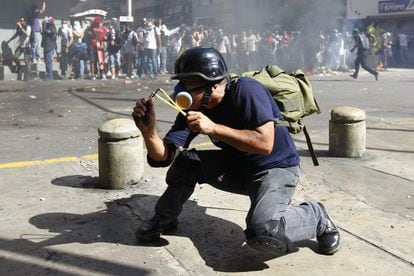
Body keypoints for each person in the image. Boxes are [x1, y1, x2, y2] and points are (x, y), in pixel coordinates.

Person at [132, 47, 341, 257]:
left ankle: (316, 216)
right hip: (239, 166)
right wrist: (148, 131)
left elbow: (264, 143)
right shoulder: (195, 108)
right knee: (187, 163)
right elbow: (164, 157)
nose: (180, 90)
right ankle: (163, 219)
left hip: (275, 168)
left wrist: (213, 128)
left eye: (187, 84)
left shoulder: (247, 91)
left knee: (264, 231)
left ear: (211, 86)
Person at [41, 16, 57, 80]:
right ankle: (48, 75)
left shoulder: (52, 27)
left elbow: (52, 32)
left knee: (48, 62)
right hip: (46, 46)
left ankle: (49, 76)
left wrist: (45, 27)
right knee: (46, 61)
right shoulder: (48, 27)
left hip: (49, 47)